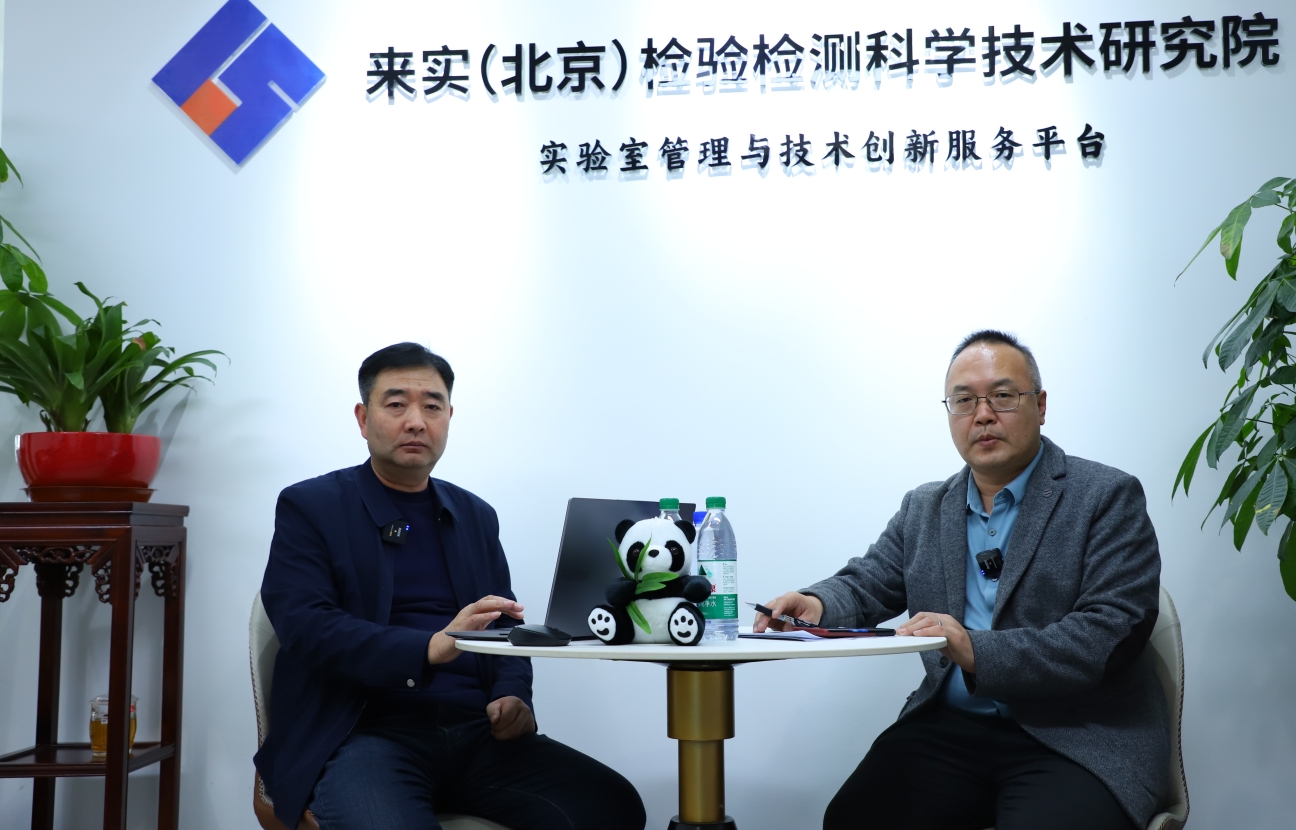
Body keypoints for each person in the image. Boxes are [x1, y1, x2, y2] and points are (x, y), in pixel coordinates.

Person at [755, 330, 1169, 830]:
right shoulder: (925, 507)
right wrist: (816, 603)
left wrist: (976, 649)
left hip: (1075, 735)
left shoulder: (1105, 496)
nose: (983, 414)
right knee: (853, 819)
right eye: (964, 400)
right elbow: (867, 582)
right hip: (949, 730)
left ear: (1040, 405)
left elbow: (1109, 633)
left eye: (1003, 396)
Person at [255, 342, 645, 830]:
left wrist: (513, 696)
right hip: (361, 733)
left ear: (449, 418)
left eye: (432, 407)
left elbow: (504, 623)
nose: (416, 422)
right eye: (396, 404)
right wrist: (429, 648)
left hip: (475, 733)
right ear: (363, 418)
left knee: (612, 807)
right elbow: (306, 627)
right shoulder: (311, 506)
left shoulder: (474, 515)